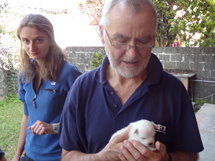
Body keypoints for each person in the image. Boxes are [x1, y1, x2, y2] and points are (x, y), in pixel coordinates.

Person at [59, 0, 204, 160]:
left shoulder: (174, 90)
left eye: (144, 41)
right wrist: (101, 158)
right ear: (102, 33)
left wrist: (166, 159)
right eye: (121, 41)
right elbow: (67, 156)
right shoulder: (82, 88)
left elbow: (191, 156)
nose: (132, 54)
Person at [12, 14, 82, 161]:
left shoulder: (69, 74)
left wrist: (53, 128)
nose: (32, 47)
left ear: (50, 40)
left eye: (39, 40)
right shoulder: (25, 73)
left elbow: (84, 119)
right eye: (26, 41)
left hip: (58, 156)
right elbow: (27, 116)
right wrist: (17, 154)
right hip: (30, 154)